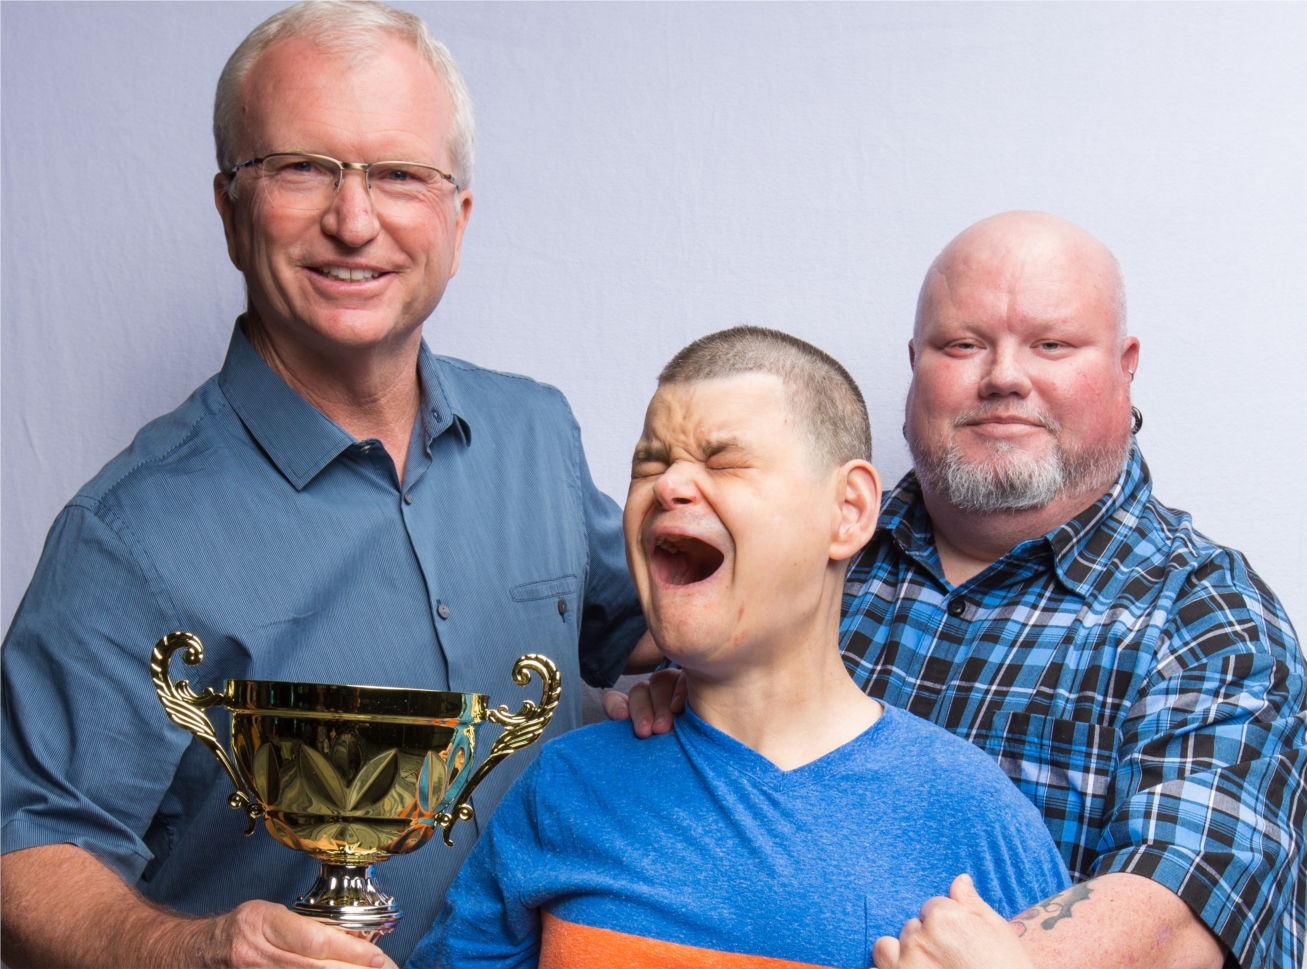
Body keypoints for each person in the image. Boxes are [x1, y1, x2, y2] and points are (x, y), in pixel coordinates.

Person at [0, 4, 648, 967]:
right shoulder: (124, 534)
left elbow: (633, 623)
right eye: (302, 168)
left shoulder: (535, 431)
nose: (355, 220)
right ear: (229, 210)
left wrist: (689, 668)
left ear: (456, 218)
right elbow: (23, 851)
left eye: (399, 174)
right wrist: (202, 949)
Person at [609, 213, 1307, 969]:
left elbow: (1180, 912)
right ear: (914, 365)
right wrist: (690, 710)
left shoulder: (1206, 619)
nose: (1003, 375)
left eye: (1050, 344)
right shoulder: (809, 556)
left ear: (1123, 366)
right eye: (962, 344)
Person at [407, 327, 1070, 968]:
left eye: (723, 460)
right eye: (651, 462)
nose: (669, 485)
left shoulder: (976, 819)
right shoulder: (565, 784)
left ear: (848, 509)